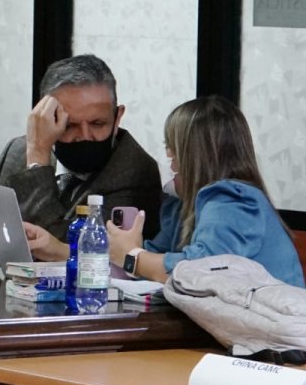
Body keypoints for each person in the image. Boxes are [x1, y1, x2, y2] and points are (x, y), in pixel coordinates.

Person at [0, 54, 162, 265]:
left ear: (117, 117)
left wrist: (38, 159)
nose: (85, 136)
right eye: (70, 125)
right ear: (44, 118)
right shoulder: (17, 152)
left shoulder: (133, 170)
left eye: (98, 124)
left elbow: (58, 248)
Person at [108, 95, 304, 286]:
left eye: (173, 146)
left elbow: (201, 272)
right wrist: (132, 250)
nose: (168, 154)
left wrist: (132, 257)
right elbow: (158, 258)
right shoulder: (181, 205)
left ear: (196, 155)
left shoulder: (233, 200)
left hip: (270, 317)